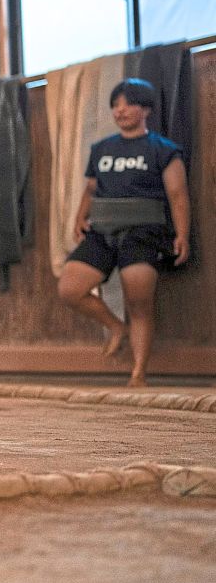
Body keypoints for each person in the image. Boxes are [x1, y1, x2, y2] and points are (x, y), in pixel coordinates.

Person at [57, 79, 189, 388]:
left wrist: (181, 234)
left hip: (144, 232)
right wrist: (79, 217)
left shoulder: (164, 150)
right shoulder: (102, 149)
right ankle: (116, 327)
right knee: (70, 287)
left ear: (145, 108)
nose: (121, 110)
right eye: (116, 105)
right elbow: (91, 188)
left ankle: (138, 373)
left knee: (139, 299)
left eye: (127, 103)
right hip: (102, 230)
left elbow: (178, 195)